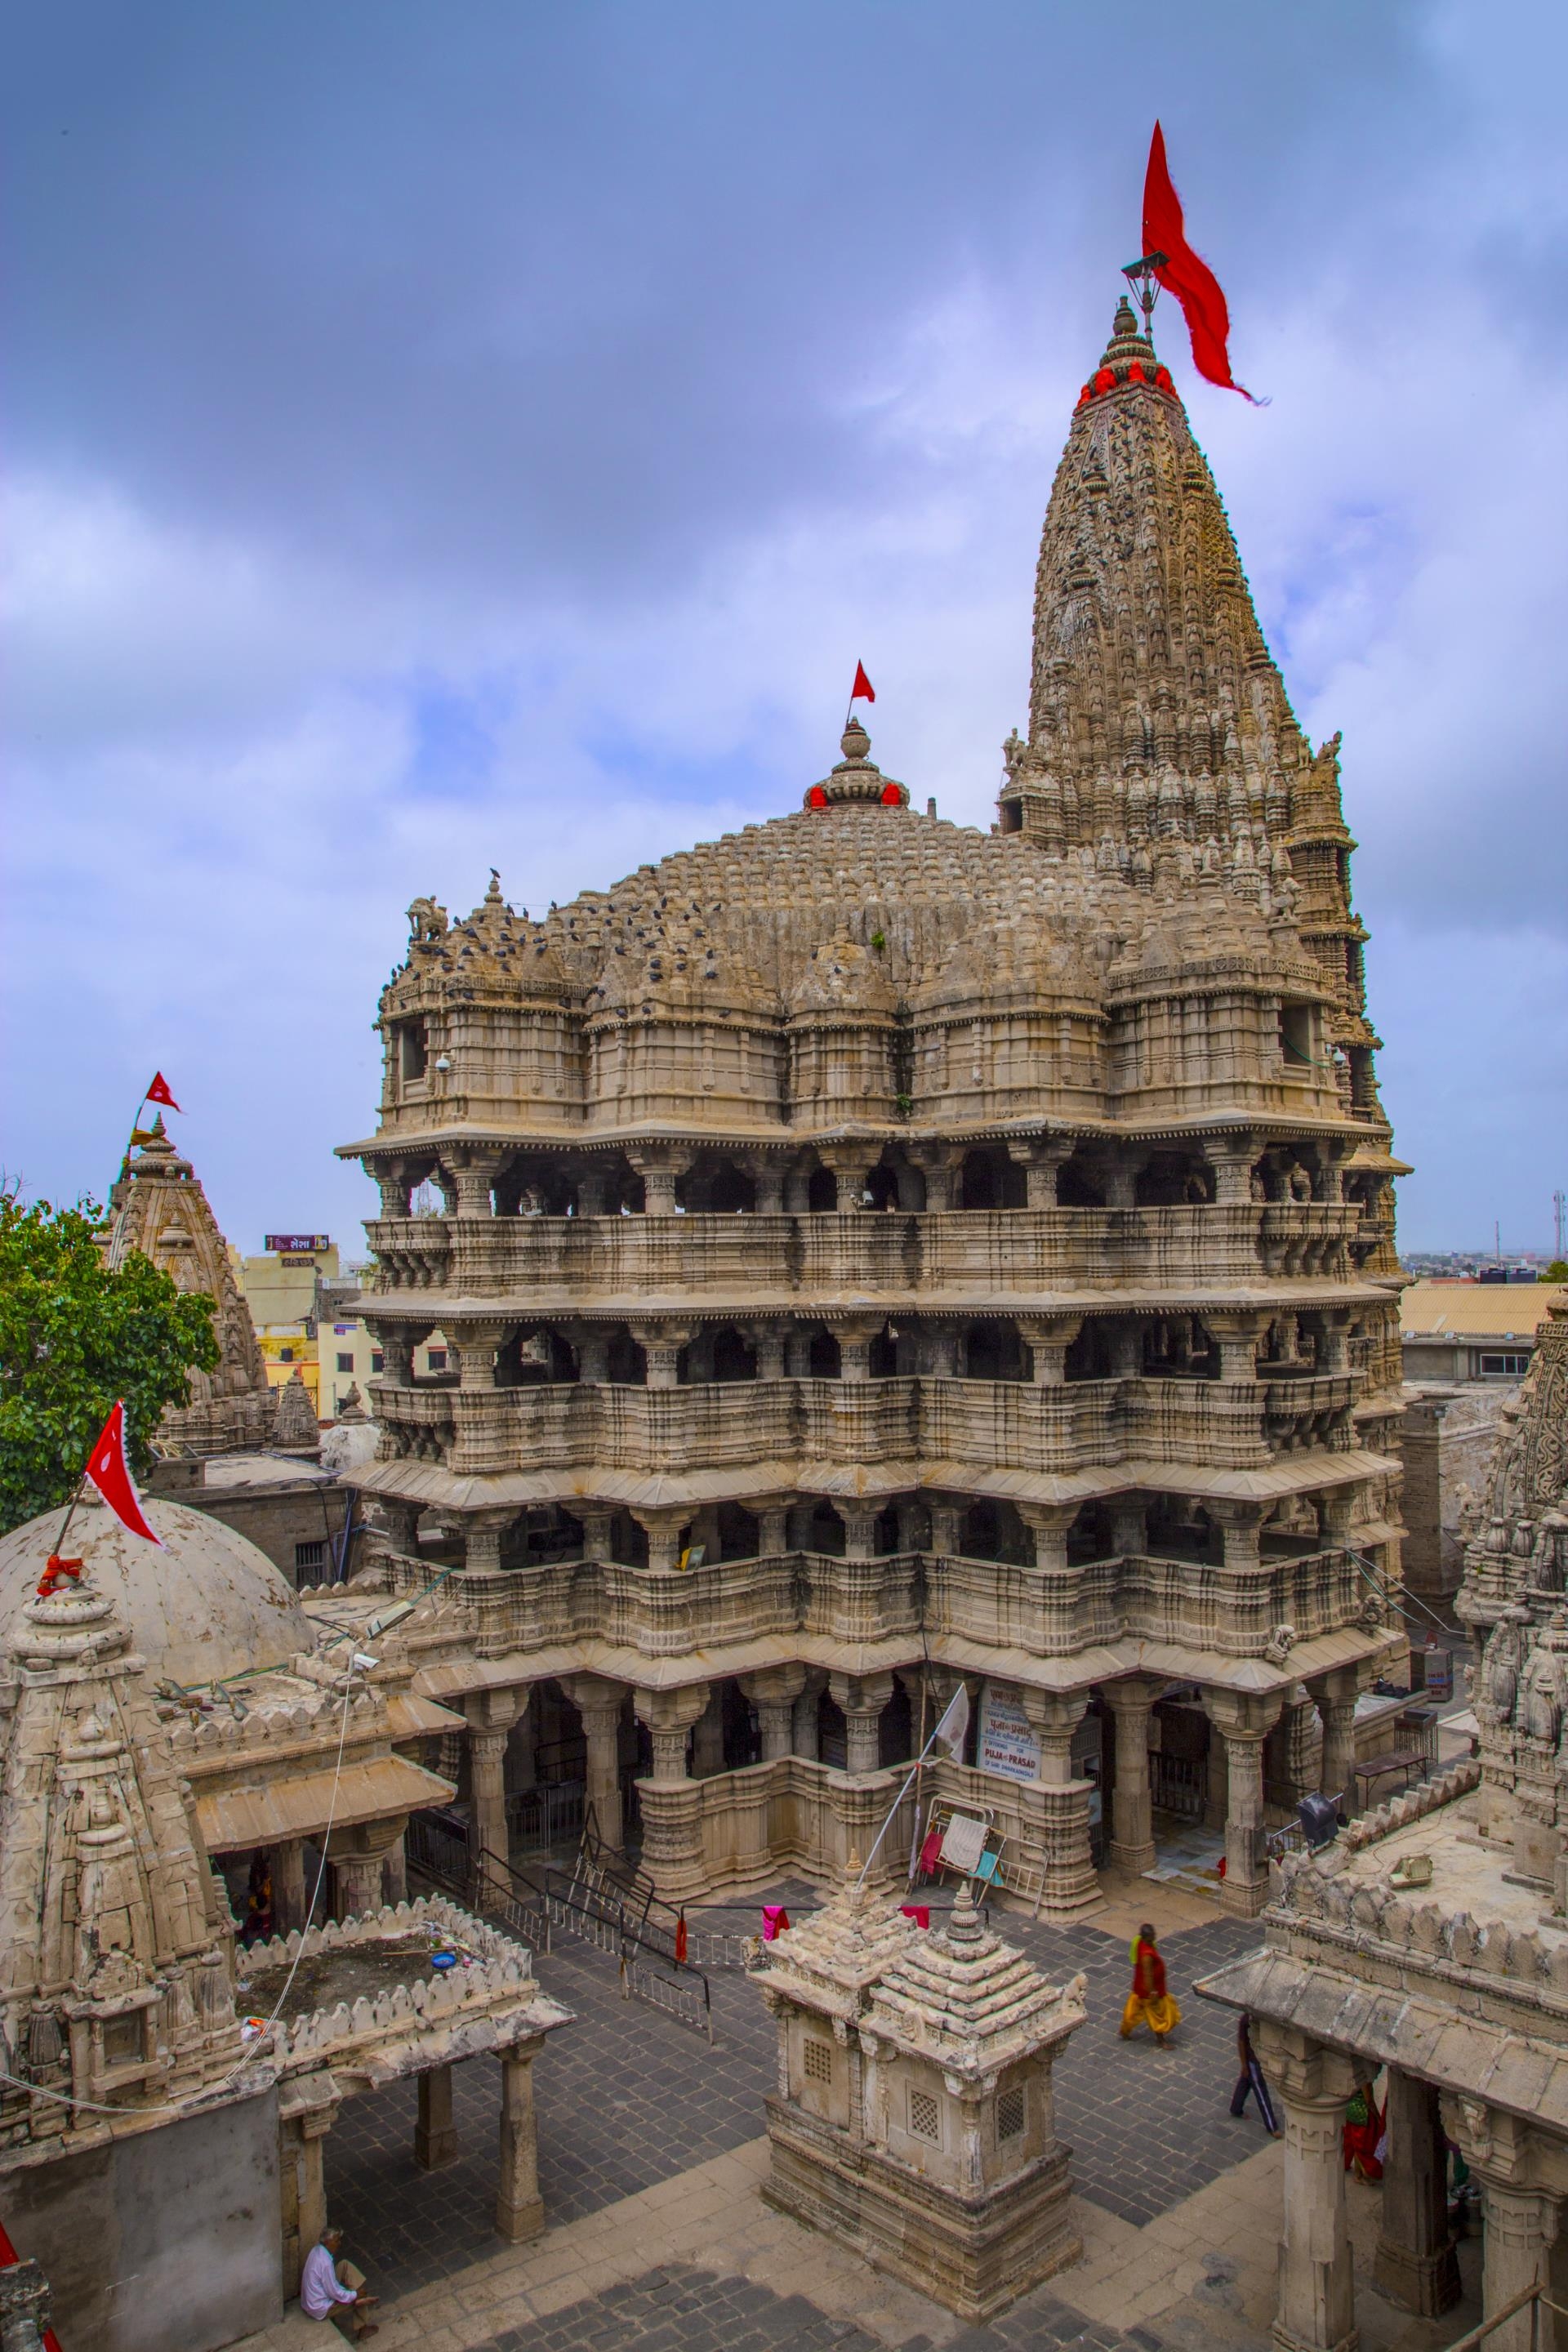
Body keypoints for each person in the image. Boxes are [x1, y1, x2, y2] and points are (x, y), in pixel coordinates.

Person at [301, 2227, 378, 2339]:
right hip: (319, 2308)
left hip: (312, 2300)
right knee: (359, 2298)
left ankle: (357, 2289)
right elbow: (334, 2292)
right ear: (327, 2242)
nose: (339, 2243)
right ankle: (363, 2328)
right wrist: (355, 2295)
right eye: (336, 2241)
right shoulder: (325, 2263)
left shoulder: (316, 2250)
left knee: (344, 2265)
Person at [1120, 1923, 1182, 2041]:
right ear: (1146, 1937)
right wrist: (1152, 1992)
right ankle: (1161, 2040)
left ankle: (1125, 2031)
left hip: (1142, 1988)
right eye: (1152, 1936)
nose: (1154, 1937)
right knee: (1157, 2015)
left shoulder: (1139, 1942)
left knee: (1133, 2011)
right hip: (1150, 1991)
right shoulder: (1146, 1955)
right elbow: (1147, 1975)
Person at [1229, 2013, 1280, 2134]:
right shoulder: (1247, 2020)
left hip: (1257, 2059)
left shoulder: (1256, 2019)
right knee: (1262, 2094)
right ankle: (1272, 2127)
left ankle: (1236, 2108)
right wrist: (1244, 2065)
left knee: (1245, 2081)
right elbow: (1241, 2043)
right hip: (1253, 2061)